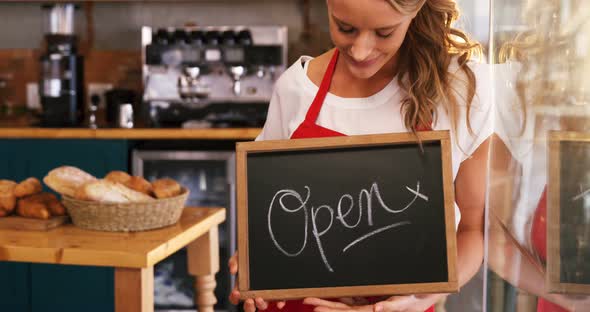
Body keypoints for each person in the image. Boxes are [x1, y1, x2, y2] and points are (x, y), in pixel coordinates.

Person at [229, 0, 493, 311]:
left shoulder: (462, 90)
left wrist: (419, 299)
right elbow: (267, 224)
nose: (360, 50)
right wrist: (255, 262)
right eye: (345, 28)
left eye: (384, 32)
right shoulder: (296, 89)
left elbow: (474, 230)